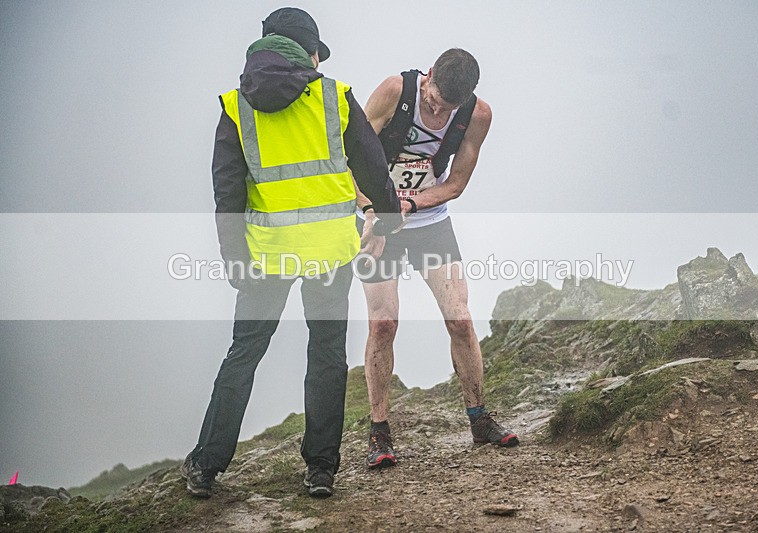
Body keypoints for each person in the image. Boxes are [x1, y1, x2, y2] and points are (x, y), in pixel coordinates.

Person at [181, 7, 401, 498]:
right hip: (329, 251)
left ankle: (206, 465)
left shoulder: (236, 106)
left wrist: (234, 258)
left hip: (267, 253)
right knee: (326, 354)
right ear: (310, 51)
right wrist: (384, 220)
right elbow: (371, 166)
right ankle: (321, 469)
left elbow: (228, 195)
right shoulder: (334, 96)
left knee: (244, 352)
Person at [355, 48, 519, 469]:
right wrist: (375, 210)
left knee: (460, 320)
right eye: (431, 99)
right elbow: (349, 161)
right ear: (428, 76)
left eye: (444, 108)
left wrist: (407, 206)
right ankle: (379, 433)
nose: (434, 108)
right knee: (384, 323)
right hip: (375, 219)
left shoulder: (478, 116)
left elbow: (457, 183)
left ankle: (479, 418)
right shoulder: (395, 91)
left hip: (429, 221)